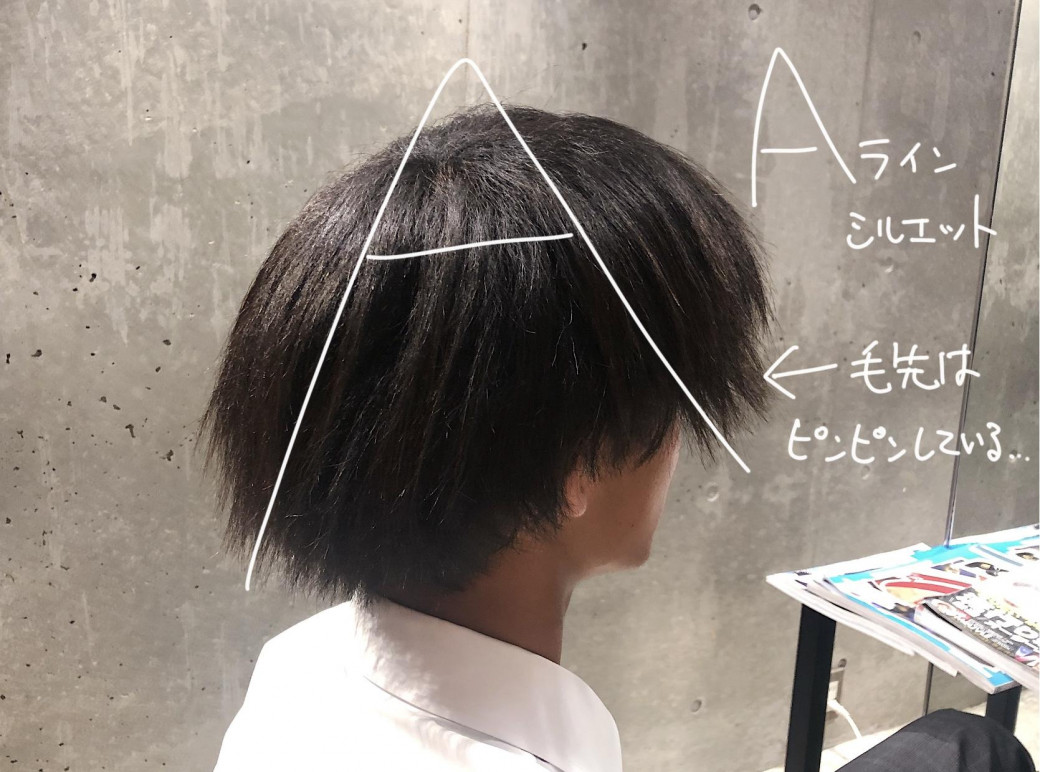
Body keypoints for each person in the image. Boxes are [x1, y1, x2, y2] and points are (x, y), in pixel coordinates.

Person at [199, 105, 1035, 771]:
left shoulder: (300, 665)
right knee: (976, 749)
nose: (679, 448)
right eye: (677, 401)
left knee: (962, 745)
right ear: (577, 464)